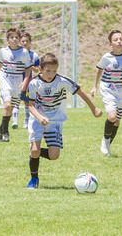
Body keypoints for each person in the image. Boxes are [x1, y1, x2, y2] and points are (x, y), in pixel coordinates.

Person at [23, 53, 103, 189]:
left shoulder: (62, 81)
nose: (51, 74)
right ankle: (34, 178)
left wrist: (94, 108)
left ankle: (33, 152)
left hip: (55, 121)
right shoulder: (34, 83)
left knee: (54, 155)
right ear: (41, 69)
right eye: (48, 71)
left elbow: (80, 93)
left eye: (54, 71)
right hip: (37, 120)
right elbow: (29, 104)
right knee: (35, 150)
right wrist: (40, 117)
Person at [91, 30, 122, 157]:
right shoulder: (106, 57)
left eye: (121, 39)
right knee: (112, 117)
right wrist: (94, 87)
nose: (119, 41)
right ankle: (105, 140)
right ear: (110, 44)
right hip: (108, 88)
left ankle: (107, 145)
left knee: (117, 121)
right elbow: (99, 69)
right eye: (115, 39)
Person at [0, 28, 33, 143]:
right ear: (7, 40)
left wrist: (25, 82)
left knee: (10, 108)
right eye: (12, 37)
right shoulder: (3, 51)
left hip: (17, 82)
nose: (14, 39)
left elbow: (28, 69)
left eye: (17, 37)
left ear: (19, 39)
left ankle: (1, 129)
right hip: (5, 80)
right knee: (7, 105)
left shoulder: (24, 52)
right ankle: (5, 132)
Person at [11, 32, 40, 129]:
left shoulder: (34, 55)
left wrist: (30, 66)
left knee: (27, 101)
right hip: (16, 80)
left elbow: (38, 69)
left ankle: (26, 121)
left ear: (30, 43)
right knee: (16, 100)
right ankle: (14, 121)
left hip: (28, 81)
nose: (24, 43)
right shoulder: (16, 53)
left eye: (26, 41)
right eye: (22, 41)